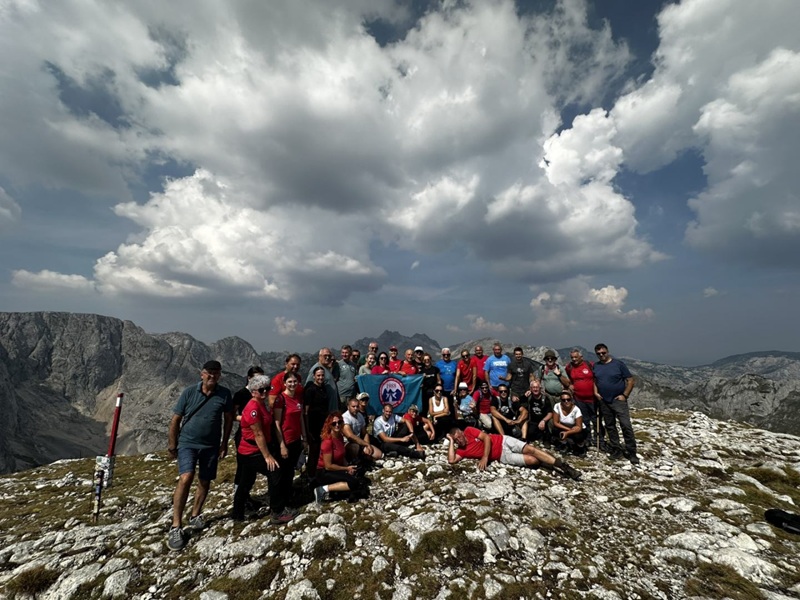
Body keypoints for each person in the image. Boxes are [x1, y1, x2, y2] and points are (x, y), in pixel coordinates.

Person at [167, 360, 234, 551]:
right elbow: (176, 419)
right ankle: (176, 525)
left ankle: (195, 514)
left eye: (217, 373)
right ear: (202, 374)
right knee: (186, 477)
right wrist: (173, 445)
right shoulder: (189, 392)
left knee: (205, 480)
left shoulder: (224, 394)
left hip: (211, 446)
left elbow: (228, 419)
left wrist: (224, 444)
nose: (213, 376)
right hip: (188, 443)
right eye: (209, 372)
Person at [231, 374, 295, 525]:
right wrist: (267, 456)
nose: (265, 392)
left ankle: (237, 513)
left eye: (267, 389)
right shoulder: (253, 408)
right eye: (261, 390)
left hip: (247, 450)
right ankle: (277, 512)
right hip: (252, 451)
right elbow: (258, 434)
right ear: (253, 391)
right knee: (274, 472)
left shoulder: (260, 404)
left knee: (246, 480)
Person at [446, 426, 581, 479]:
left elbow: (486, 437)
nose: (459, 441)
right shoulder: (461, 451)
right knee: (532, 460)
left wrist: (485, 457)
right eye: (456, 440)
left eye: (459, 437)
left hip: (503, 441)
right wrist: (451, 442)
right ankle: (547, 463)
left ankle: (564, 467)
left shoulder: (469, 430)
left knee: (530, 449)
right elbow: (451, 460)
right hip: (502, 456)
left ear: (462, 433)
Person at [593, 343, 638, 464]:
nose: (601, 355)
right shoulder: (596, 366)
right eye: (599, 354)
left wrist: (625, 395)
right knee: (610, 426)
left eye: (603, 353)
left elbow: (630, 380)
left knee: (625, 425)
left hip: (618, 400)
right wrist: (596, 392)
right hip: (604, 400)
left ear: (607, 351)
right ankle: (616, 449)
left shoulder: (618, 364)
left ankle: (632, 451)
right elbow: (595, 380)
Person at [313, 412, 370, 504]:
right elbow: (328, 466)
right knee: (353, 482)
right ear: (329, 425)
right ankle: (322, 489)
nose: (337, 425)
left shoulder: (339, 436)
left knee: (358, 474)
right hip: (324, 472)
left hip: (336, 468)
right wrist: (346, 468)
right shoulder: (328, 442)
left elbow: (341, 456)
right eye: (334, 424)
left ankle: (338, 490)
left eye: (339, 422)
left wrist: (348, 467)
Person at [272, 372, 307, 512]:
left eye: (295, 382)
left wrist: (304, 438)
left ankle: (288, 498)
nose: (293, 384)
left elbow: (300, 419)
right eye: (290, 382)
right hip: (285, 441)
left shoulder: (298, 398)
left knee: (290, 471)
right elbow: (276, 423)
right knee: (283, 473)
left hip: (296, 440)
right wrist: (281, 445)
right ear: (284, 383)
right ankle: (281, 504)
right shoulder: (281, 399)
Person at [231, 366, 264, 504]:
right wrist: (246, 419)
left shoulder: (260, 393)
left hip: (257, 434)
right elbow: (232, 415)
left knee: (251, 469)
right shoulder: (240, 394)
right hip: (244, 435)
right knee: (243, 466)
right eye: (256, 378)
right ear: (249, 378)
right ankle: (239, 498)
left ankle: (246, 497)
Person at [566, 348, 597, 446]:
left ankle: (599, 440)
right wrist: (569, 385)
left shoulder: (589, 365)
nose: (574, 359)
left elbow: (597, 378)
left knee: (596, 420)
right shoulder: (569, 367)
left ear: (581, 357)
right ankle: (588, 438)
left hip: (593, 399)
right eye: (572, 357)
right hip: (579, 399)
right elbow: (568, 378)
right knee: (585, 420)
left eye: (576, 357)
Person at [304, 367, 330, 479]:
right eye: (318, 375)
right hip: (313, 425)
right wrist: (307, 430)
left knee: (322, 448)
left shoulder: (324, 388)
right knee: (313, 451)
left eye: (322, 375)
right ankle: (311, 474)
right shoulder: (310, 390)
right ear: (314, 376)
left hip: (323, 424)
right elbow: (306, 411)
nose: (320, 377)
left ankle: (319, 471)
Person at [342, 397, 383, 461]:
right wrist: (365, 444)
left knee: (378, 454)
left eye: (357, 406)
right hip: (348, 443)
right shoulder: (345, 417)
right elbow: (350, 436)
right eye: (353, 406)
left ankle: (365, 457)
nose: (355, 408)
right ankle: (354, 460)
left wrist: (367, 445)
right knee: (355, 448)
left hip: (360, 441)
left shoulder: (360, 416)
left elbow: (365, 433)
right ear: (348, 407)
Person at [552, 390, 588, 456]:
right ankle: (564, 444)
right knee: (555, 429)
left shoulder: (576, 410)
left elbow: (579, 427)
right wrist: (569, 430)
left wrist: (567, 433)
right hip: (566, 427)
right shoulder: (557, 406)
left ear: (571, 400)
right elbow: (555, 422)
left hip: (577, 429)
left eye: (568, 399)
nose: (566, 402)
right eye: (564, 400)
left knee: (578, 436)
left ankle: (580, 447)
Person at [305, 348, 339, 412]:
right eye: (325, 355)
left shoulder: (326, 368)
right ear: (319, 357)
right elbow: (308, 388)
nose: (327, 357)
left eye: (329, 356)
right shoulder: (316, 369)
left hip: (331, 410)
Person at [526, 380, 554, 446]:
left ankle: (547, 439)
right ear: (531, 389)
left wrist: (543, 420)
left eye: (537, 387)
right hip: (533, 420)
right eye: (533, 387)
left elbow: (550, 413)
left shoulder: (546, 398)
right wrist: (524, 396)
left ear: (540, 388)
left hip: (544, 420)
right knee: (530, 433)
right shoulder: (529, 397)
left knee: (549, 426)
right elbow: (520, 402)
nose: (535, 389)